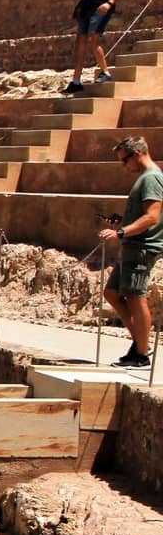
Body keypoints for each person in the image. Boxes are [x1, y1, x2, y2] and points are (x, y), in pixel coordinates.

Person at [98, 137, 163, 367]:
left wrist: (122, 232)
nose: (123, 166)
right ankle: (139, 341)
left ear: (137, 153)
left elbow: (152, 217)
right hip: (133, 246)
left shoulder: (151, 178)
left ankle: (141, 354)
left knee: (136, 297)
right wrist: (121, 221)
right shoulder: (144, 179)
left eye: (125, 160)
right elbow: (142, 215)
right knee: (112, 293)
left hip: (142, 247)